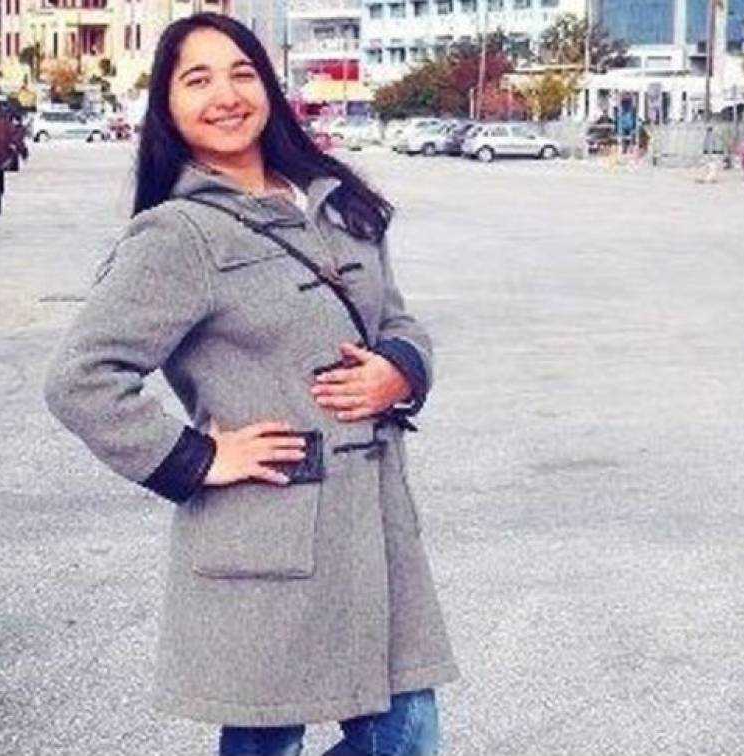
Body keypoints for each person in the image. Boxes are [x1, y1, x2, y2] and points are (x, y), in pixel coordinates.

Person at [42, 11, 458, 756]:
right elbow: (81, 379)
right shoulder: (177, 235)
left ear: (269, 86)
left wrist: (400, 369)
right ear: (167, 107)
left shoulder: (336, 200)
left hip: (376, 532)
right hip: (266, 541)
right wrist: (199, 457)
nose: (226, 95)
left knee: (407, 734)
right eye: (197, 80)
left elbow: (396, 318)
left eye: (242, 73)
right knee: (273, 743)